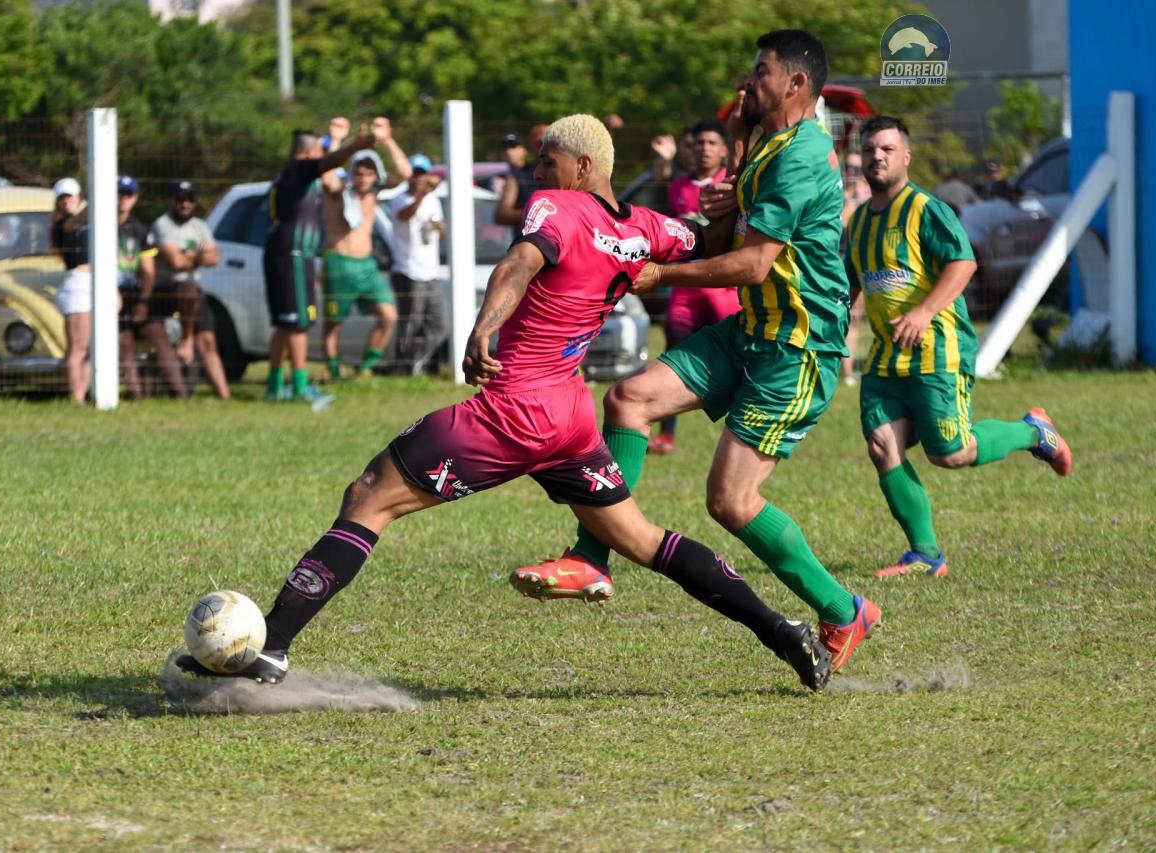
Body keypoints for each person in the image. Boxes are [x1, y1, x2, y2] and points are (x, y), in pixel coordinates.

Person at [175, 114, 832, 692]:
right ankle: (779, 629)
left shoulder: (558, 206)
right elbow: (711, 241)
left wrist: (485, 325)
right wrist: (731, 203)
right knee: (640, 537)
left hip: (512, 410)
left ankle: (275, 645)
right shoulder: (646, 229)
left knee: (370, 495)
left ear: (583, 165)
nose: (539, 169)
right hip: (569, 419)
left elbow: (518, 262)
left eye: (548, 158)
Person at [514, 30, 881, 673]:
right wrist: (733, 172)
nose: (748, 79)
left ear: (796, 83)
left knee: (731, 502)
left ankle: (844, 609)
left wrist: (659, 274)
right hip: (751, 333)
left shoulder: (800, 156)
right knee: (628, 399)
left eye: (761, 70)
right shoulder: (770, 140)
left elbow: (752, 263)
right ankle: (589, 559)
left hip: (796, 346)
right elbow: (731, 226)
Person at [846, 115, 1072, 579]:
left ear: (906, 156)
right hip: (888, 357)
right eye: (870, 149)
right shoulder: (860, 224)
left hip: (938, 350)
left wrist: (925, 311)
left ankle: (1034, 433)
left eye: (888, 149)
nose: (878, 157)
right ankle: (925, 553)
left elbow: (963, 264)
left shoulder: (925, 209)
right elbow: (851, 283)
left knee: (949, 453)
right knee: (881, 443)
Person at [648, 119, 742, 455]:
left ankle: (743, 432)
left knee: (738, 359)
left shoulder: (735, 184)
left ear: (725, 150)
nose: (704, 148)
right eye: (699, 142)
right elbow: (656, 214)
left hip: (723, 289)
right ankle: (666, 433)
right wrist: (662, 165)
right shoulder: (677, 187)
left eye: (712, 142)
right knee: (672, 358)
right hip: (686, 290)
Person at [263, 120, 368, 407]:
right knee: (298, 324)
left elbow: (326, 166)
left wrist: (335, 138)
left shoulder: (287, 173)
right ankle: (299, 386)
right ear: (310, 154)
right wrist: (357, 145)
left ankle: (274, 385)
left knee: (286, 324)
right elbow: (331, 161)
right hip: (293, 255)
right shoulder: (300, 169)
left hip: (283, 253)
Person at [319, 117, 413, 381]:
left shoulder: (372, 193)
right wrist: (336, 138)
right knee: (333, 323)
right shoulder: (338, 190)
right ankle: (335, 372)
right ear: (352, 173)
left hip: (366, 265)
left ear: (375, 175)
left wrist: (387, 139)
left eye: (368, 173)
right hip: (339, 260)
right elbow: (326, 174)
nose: (363, 178)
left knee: (388, 315)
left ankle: (365, 369)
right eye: (359, 172)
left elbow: (405, 173)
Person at [151, 180, 229, 400]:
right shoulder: (162, 224)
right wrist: (198, 256)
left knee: (208, 341)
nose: (185, 204)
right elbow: (174, 263)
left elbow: (215, 257)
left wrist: (187, 256)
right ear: (169, 200)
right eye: (180, 199)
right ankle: (187, 340)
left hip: (193, 290)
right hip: (167, 291)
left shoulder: (199, 226)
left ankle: (225, 397)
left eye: (190, 200)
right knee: (187, 288)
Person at [114, 175, 186, 400]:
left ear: (135, 198)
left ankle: (181, 395)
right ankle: (136, 396)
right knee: (123, 341)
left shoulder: (139, 230)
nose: (122, 199)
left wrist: (144, 303)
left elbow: (148, 272)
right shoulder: (98, 227)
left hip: (134, 296)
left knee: (159, 335)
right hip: (109, 297)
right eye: (119, 193)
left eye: (128, 194)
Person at [389, 153, 448, 375]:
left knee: (439, 325)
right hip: (407, 271)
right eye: (415, 173)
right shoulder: (399, 198)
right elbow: (404, 215)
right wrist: (421, 195)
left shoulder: (433, 199)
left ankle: (415, 362)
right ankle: (401, 369)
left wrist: (439, 225)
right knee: (409, 325)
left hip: (430, 272)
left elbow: (441, 230)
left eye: (423, 173)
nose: (419, 177)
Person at [50, 177, 93, 404]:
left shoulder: (84, 219)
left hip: (89, 284)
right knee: (79, 348)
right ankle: (76, 398)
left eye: (70, 196)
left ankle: (82, 395)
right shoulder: (65, 225)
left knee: (89, 348)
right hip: (78, 286)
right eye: (62, 198)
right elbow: (78, 220)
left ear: (79, 196)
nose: (67, 201)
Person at [839, 151, 872, 387]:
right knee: (841, 318)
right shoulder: (837, 192)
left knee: (854, 318)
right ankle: (842, 369)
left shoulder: (870, 196)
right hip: (837, 262)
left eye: (857, 168)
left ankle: (848, 371)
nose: (853, 172)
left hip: (861, 262)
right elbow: (842, 223)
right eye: (849, 167)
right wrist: (848, 197)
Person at [493, 125, 546, 236]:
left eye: (549, 144)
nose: (544, 148)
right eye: (540, 144)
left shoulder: (568, 173)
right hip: (528, 244)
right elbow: (501, 215)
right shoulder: (517, 176)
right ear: (532, 146)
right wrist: (539, 213)